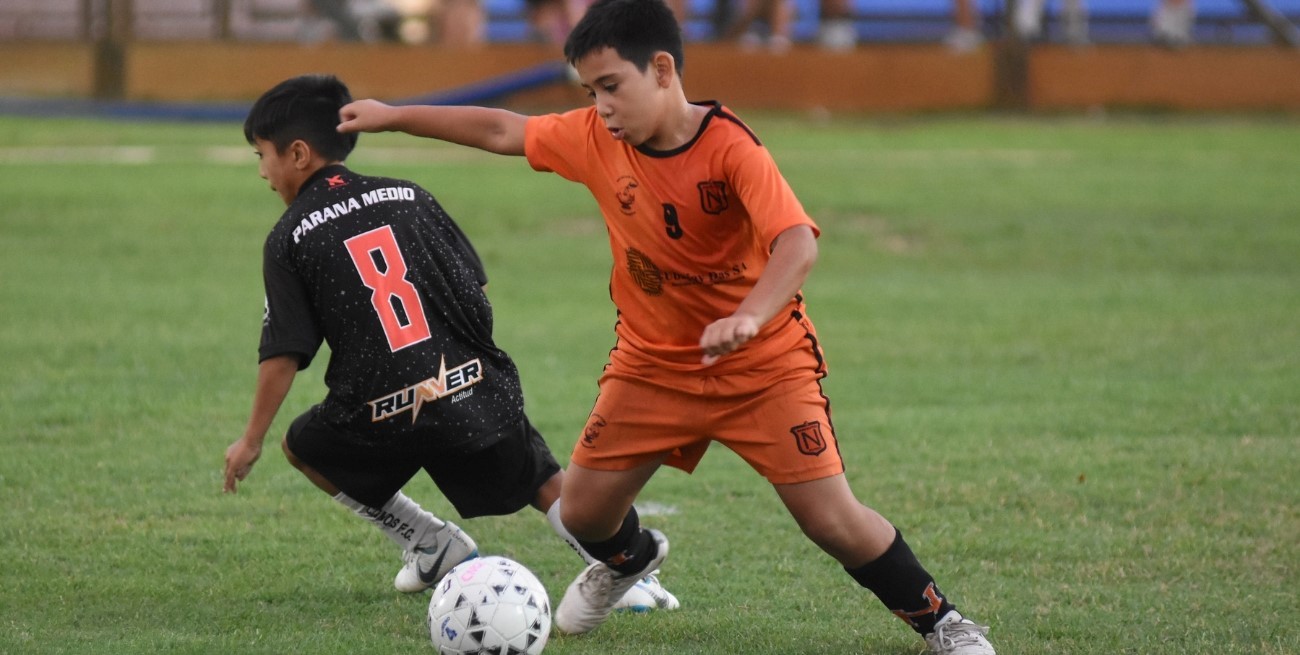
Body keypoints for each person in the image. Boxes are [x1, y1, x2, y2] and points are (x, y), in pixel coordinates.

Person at [335, 0, 997, 652]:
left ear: (660, 69)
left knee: (832, 520)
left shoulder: (731, 148)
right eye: (591, 92)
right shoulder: (598, 139)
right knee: (584, 512)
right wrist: (396, 116)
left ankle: (946, 624)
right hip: (652, 366)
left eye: (612, 87)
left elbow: (797, 243)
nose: (601, 107)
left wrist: (748, 316)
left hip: (762, 367)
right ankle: (628, 560)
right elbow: (503, 130)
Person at [222, 73, 677, 613]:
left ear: (297, 154)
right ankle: (628, 570)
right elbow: (477, 290)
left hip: (378, 412)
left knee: (304, 446)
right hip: (466, 385)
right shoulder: (410, 194)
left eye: (263, 156)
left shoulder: (290, 234)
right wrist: (468, 366)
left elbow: (284, 351)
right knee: (542, 479)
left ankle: (430, 542)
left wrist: (250, 441)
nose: (262, 173)